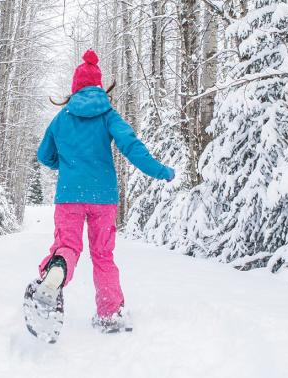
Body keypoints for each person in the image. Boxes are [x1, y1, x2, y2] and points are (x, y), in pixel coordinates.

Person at [34, 49, 174, 333]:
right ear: (100, 87)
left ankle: (56, 271)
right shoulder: (108, 115)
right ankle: (111, 314)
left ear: (74, 88)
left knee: (68, 247)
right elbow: (131, 147)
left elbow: (44, 155)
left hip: (69, 196)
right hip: (103, 197)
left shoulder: (62, 118)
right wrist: (161, 170)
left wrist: (67, 165)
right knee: (102, 255)